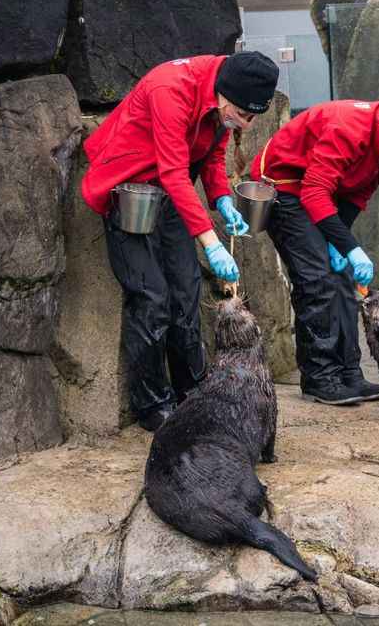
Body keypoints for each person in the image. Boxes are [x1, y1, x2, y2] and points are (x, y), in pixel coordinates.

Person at [81, 52, 280, 431]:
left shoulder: (224, 98)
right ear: (224, 93)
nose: (245, 123)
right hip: (128, 187)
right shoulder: (169, 89)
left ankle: (192, 391)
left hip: (171, 194)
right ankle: (153, 405)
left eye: (252, 117)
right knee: (151, 297)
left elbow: (210, 156)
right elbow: (173, 171)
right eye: (242, 113)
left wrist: (222, 198)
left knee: (186, 288)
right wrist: (212, 244)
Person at [252, 92, 379, 405]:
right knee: (316, 280)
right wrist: (351, 247)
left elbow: (358, 193)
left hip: (323, 193)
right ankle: (320, 376)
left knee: (341, 280)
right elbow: (313, 191)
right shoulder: (348, 129)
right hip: (286, 187)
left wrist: (340, 241)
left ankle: (349, 371)